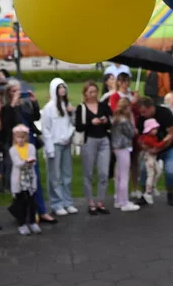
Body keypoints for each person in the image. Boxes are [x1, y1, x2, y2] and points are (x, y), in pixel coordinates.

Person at [74, 80, 112, 215]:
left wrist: (106, 121)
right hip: (89, 140)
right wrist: (91, 122)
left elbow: (110, 123)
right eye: (90, 92)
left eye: (95, 91)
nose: (93, 94)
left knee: (104, 173)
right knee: (88, 173)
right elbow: (78, 126)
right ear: (85, 93)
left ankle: (100, 201)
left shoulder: (103, 105)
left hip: (104, 140)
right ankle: (90, 202)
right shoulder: (81, 108)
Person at [41, 78, 77, 217]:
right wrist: (49, 148)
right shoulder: (49, 108)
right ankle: (57, 203)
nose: (62, 90)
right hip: (55, 145)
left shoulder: (67, 105)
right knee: (54, 176)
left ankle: (68, 202)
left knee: (66, 174)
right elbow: (47, 129)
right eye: (59, 88)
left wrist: (71, 112)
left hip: (66, 144)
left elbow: (73, 123)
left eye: (64, 87)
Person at [134, 97, 173, 206]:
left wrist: (158, 149)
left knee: (170, 171)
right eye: (141, 112)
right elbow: (140, 138)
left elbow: (171, 134)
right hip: (151, 149)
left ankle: (170, 193)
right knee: (144, 170)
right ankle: (145, 194)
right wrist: (146, 148)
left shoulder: (164, 113)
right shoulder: (142, 118)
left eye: (144, 112)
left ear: (151, 107)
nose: (142, 115)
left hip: (169, 147)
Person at [8, 125, 40, 236]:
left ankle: (32, 221)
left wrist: (27, 162)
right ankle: (22, 224)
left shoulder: (31, 147)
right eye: (18, 137)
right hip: (19, 181)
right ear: (15, 138)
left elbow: (33, 160)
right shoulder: (13, 150)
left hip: (30, 179)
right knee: (20, 203)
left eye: (22, 137)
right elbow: (18, 164)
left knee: (31, 202)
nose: (20, 140)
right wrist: (27, 162)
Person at [110, 98, 139, 212]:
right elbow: (131, 133)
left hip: (116, 147)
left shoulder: (115, 119)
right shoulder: (124, 120)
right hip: (123, 147)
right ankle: (124, 201)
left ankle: (118, 199)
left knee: (118, 175)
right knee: (124, 175)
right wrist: (132, 123)